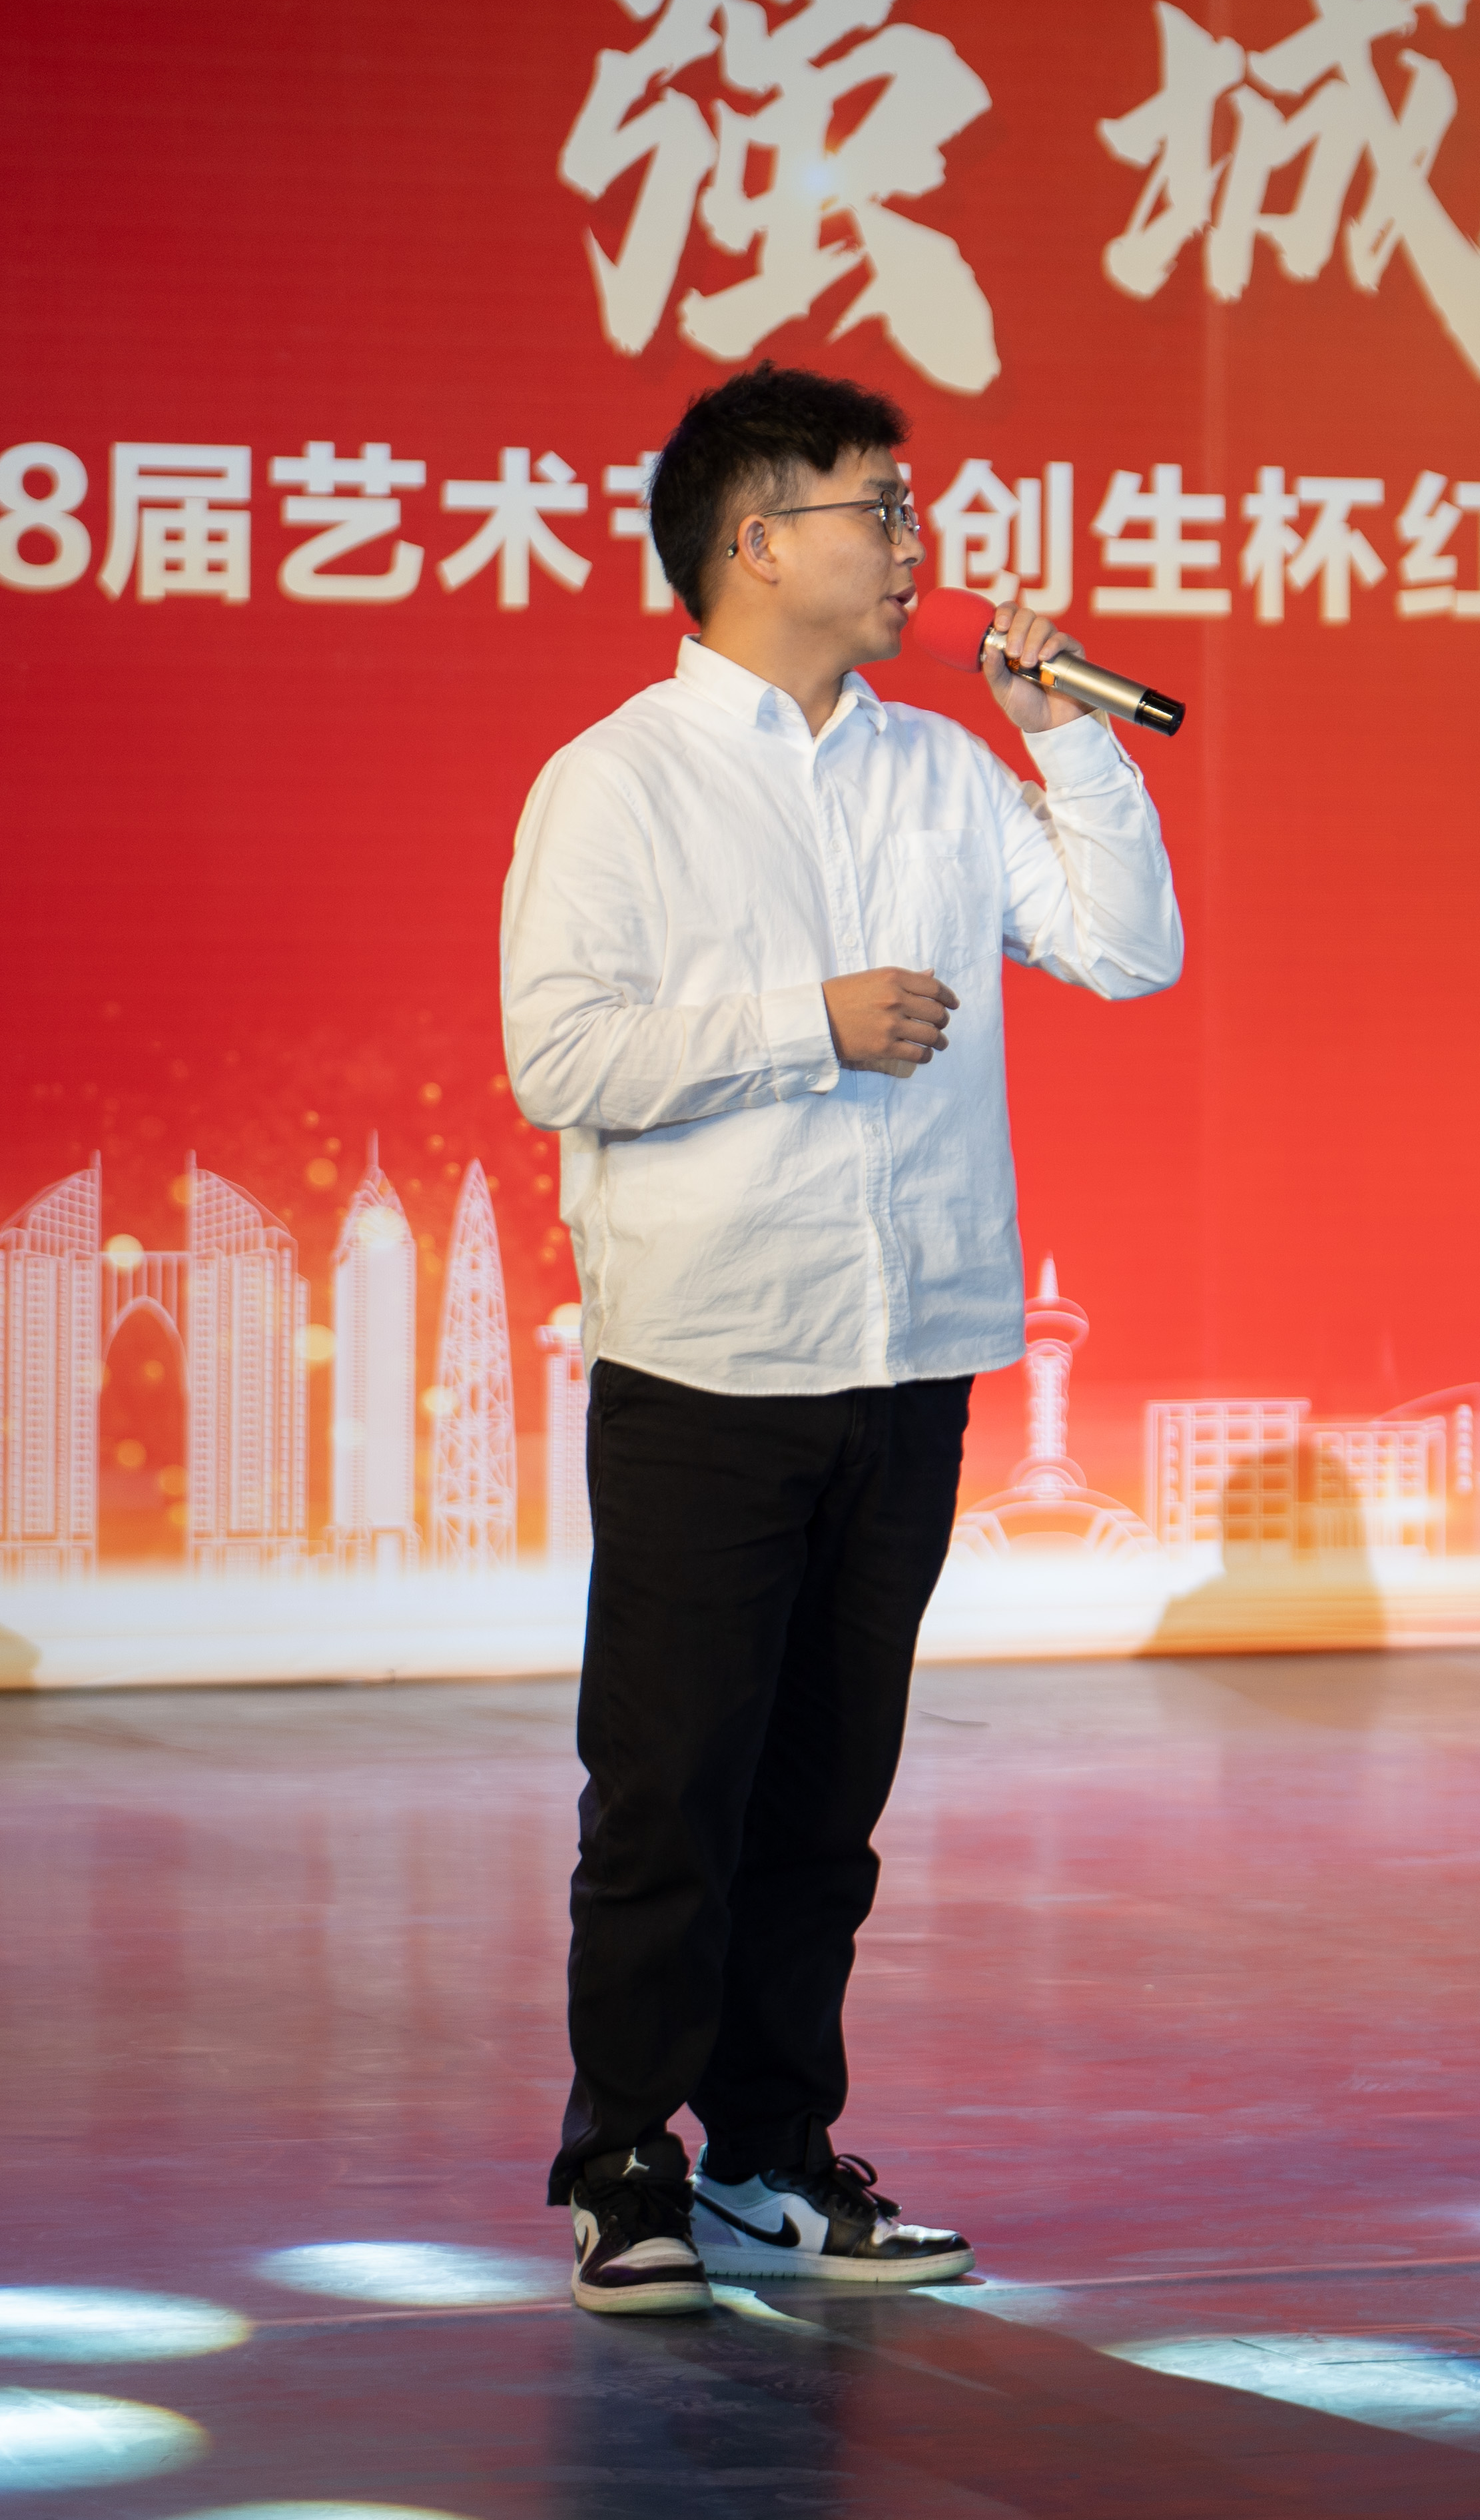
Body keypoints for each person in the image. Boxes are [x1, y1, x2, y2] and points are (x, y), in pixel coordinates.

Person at [502, 364, 1184, 2313]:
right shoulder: (620, 778)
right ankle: (624, 2158)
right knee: (673, 1786)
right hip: (717, 1354)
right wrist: (805, 1022)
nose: (910, 544)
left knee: (825, 1797)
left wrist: (1067, 737)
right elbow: (562, 1054)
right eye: (875, 508)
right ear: (754, 539)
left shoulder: (944, 769)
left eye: (906, 509)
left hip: (910, 1346)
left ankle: (770, 2158)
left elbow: (1128, 947)